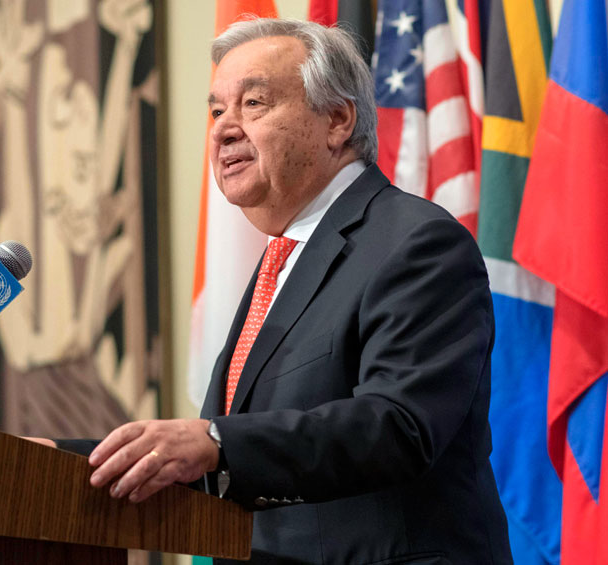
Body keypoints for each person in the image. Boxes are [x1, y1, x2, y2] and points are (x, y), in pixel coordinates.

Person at [46, 18, 513, 564]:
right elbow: (229, 461)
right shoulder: (280, 262)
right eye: (217, 110)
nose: (223, 129)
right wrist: (57, 459)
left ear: (338, 119)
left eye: (254, 104)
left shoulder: (414, 242)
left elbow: (398, 426)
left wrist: (216, 443)